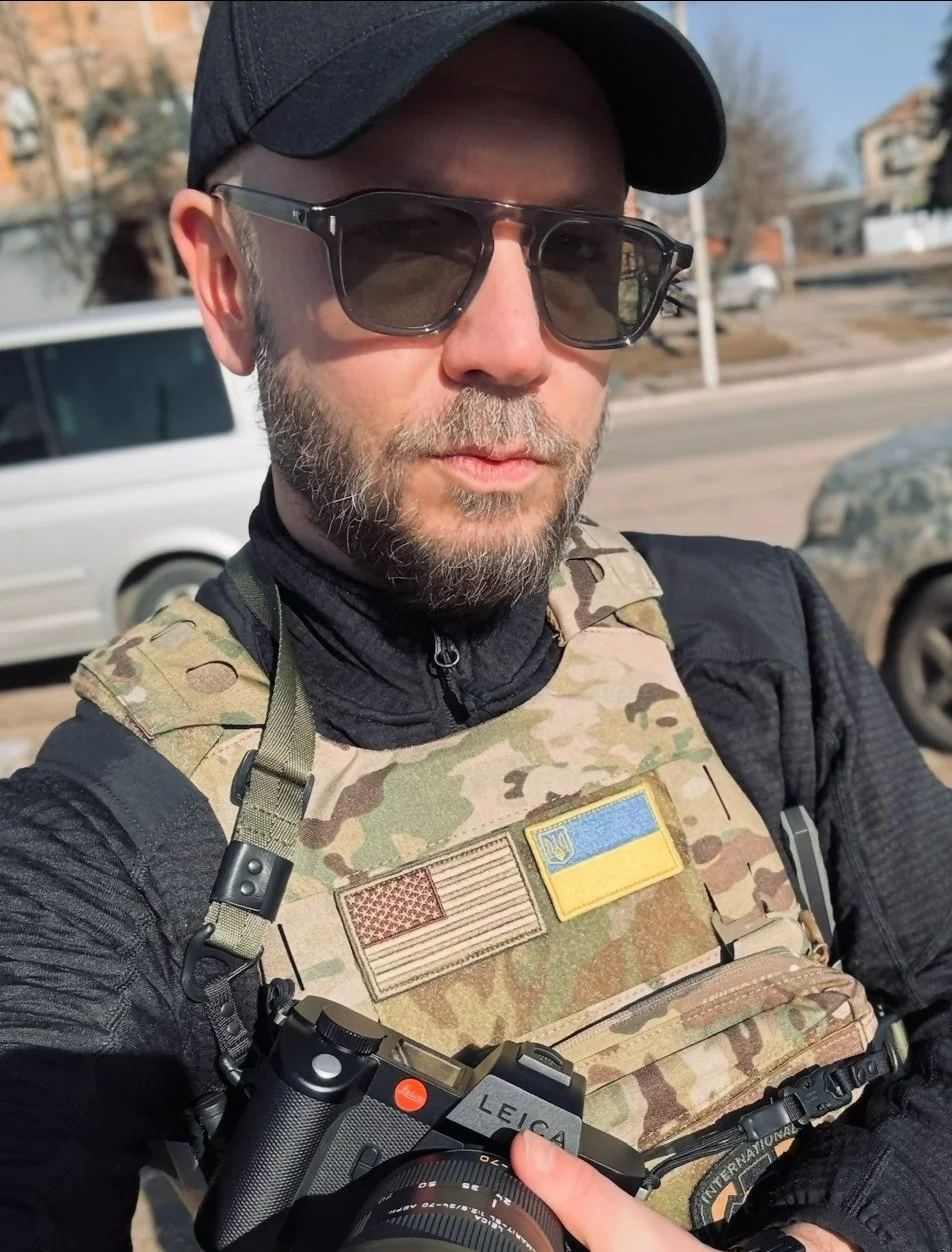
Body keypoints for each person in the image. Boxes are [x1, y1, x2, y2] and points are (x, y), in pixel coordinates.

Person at [1, 3, 951, 1251]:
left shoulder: (755, 633)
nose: (514, 348)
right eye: (401, 241)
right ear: (228, 278)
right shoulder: (108, 841)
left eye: (580, 254)